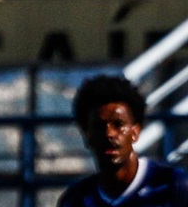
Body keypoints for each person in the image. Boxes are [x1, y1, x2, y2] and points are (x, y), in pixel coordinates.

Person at [58, 74, 188, 206]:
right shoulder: (75, 200)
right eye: (98, 126)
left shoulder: (174, 186)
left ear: (135, 132)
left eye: (118, 124)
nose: (109, 134)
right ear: (86, 135)